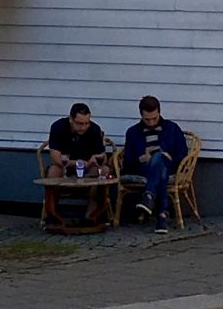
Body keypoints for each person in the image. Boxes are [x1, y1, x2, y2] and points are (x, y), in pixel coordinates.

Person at [123, 95, 187, 234]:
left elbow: (183, 151)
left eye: (154, 118)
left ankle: (149, 197)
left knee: (159, 160)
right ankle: (161, 216)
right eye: (147, 119)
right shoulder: (133, 132)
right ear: (141, 115)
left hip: (168, 165)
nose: (151, 123)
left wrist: (170, 156)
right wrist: (141, 158)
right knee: (159, 167)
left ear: (159, 112)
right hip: (144, 168)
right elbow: (127, 161)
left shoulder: (172, 128)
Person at [46, 102, 108, 223]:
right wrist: (75, 163)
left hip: (88, 168)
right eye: (79, 123)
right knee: (53, 171)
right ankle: (52, 214)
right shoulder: (58, 127)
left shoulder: (94, 129)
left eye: (86, 123)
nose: (83, 127)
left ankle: (91, 216)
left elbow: (103, 157)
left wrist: (97, 158)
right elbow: (55, 158)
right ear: (70, 119)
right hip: (66, 167)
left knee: (104, 170)